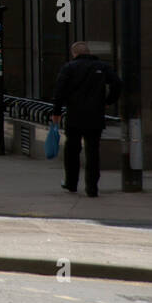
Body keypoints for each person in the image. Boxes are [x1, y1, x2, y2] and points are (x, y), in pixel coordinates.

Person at [51, 41, 122, 197]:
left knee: (72, 150)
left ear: (74, 53)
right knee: (93, 151)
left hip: (74, 115)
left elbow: (59, 91)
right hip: (95, 115)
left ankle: (71, 183)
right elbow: (117, 83)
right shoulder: (102, 66)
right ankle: (92, 187)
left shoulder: (69, 68)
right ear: (88, 52)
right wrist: (108, 101)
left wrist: (56, 112)